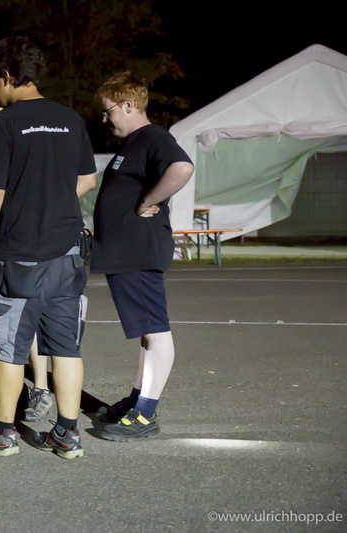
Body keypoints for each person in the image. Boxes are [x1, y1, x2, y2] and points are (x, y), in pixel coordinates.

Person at [0, 36, 98, 459]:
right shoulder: (70, 120)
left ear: (7, 76)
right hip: (68, 253)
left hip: (19, 254)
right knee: (66, 346)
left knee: (9, 347)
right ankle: (67, 433)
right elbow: (87, 180)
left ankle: (3, 433)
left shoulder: (3, 124)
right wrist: (52, 198)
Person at [91, 71, 194, 441]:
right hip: (126, 253)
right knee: (146, 333)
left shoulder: (153, 137)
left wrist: (148, 200)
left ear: (128, 104)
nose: (106, 119)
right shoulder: (135, 142)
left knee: (155, 330)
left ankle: (145, 413)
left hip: (137, 251)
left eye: (108, 111)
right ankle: (138, 398)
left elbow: (182, 167)